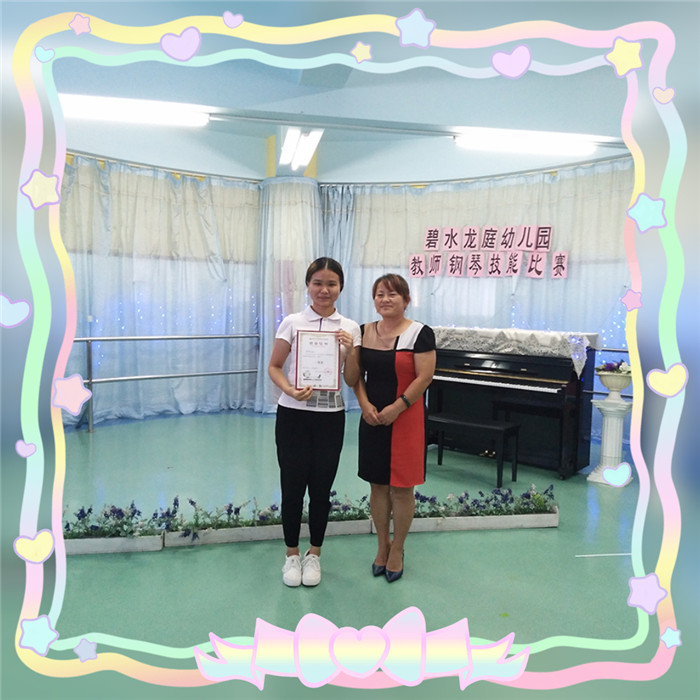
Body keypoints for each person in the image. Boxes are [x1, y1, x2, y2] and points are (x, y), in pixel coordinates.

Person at [268, 257, 361, 587]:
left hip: (330, 418)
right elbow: (274, 366)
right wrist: (290, 390)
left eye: (331, 283)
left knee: (321, 490)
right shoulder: (292, 322)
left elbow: (351, 380)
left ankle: (315, 554)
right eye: (318, 283)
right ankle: (291, 554)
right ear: (308, 285)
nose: (324, 289)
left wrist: (351, 352)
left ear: (340, 287)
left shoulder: (350, 328)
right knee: (292, 487)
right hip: (293, 415)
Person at [352, 273, 436, 582]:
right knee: (377, 485)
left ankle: (398, 548)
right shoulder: (363, 331)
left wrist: (397, 407)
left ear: (406, 300)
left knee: (402, 488)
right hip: (372, 418)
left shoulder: (420, 333)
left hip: (406, 419)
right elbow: (356, 376)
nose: (385, 299)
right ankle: (382, 545)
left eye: (392, 294)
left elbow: (424, 377)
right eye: (379, 294)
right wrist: (364, 405)